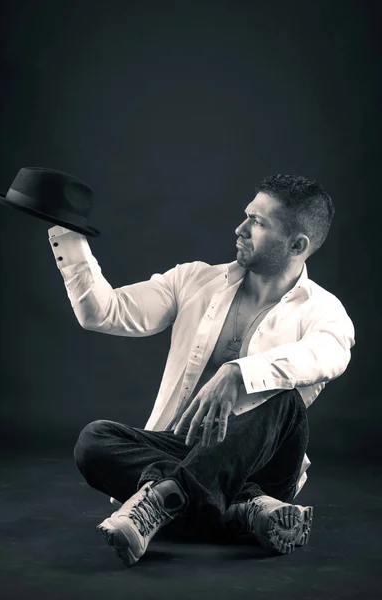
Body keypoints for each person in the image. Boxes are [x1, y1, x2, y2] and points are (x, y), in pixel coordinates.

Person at [49, 174, 355, 568]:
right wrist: (67, 231)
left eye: (259, 223)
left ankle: (161, 498)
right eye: (247, 216)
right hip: (184, 446)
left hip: (265, 465)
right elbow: (103, 311)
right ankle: (245, 509)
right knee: (93, 441)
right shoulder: (195, 280)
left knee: (287, 400)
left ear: (297, 245)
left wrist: (239, 373)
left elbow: (329, 354)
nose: (240, 229)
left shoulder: (324, 311)